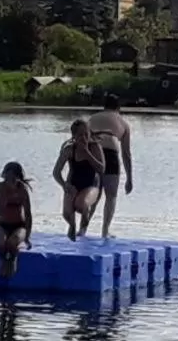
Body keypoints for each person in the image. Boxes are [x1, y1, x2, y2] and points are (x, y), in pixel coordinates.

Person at [87, 93, 134, 238]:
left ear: (104, 106)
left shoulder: (92, 119)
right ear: (118, 107)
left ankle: (83, 228)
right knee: (111, 195)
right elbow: (126, 154)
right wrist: (129, 179)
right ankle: (105, 231)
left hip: (93, 153)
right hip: (111, 154)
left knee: (94, 193)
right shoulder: (123, 123)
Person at [52, 118, 106, 241]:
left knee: (82, 204)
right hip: (73, 184)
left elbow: (101, 169)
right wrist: (64, 184)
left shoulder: (95, 147)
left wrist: (87, 153)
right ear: (74, 136)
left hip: (91, 185)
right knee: (67, 213)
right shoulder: (69, 149)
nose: (84, 137)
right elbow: (56, 172)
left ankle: (82, 228)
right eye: (80, 135)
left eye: (86, 134)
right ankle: (72, 225)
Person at [0, 161, 33, 278]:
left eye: (13, 177)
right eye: (8, 177)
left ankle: (13, 260)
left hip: (19, 225)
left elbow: (28, 214)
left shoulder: (22, 190)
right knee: (1, 245)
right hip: (2, 224)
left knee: (12, 243)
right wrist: (4, 200)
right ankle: (3, 261)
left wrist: (28, 236)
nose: (10, 181)